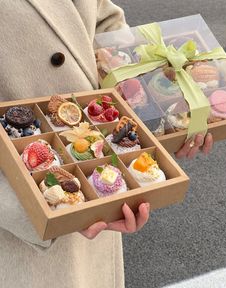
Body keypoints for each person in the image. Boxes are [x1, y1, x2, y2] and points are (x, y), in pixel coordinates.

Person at [0, 1, 213, 288]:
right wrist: (44, 211)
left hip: (97, 163)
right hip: (20, 228)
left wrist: (173, 106)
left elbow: (105, 21)